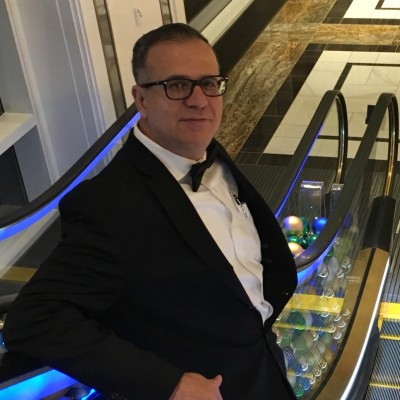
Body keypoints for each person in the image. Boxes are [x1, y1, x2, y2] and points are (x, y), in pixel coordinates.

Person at [3, 23, 298, 399]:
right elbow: (34, 318)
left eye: (209, 83)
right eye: (177, 85)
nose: (199, 100)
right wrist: (167, 384)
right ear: (141, 99)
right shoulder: (106, 204)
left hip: (265, 367)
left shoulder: (211, 154)